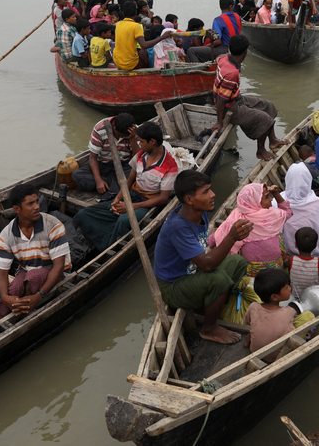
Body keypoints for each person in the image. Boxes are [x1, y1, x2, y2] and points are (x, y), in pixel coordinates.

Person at [154, 171, 251, 345]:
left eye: (210, 189)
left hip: (192, 272)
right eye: (206, 192)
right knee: (219, 278)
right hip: (173, 286)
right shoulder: (177, 226)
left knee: (238, 262)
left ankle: (205, 308)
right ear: (189, 200)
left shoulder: (201, 213)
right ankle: (209, 329)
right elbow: (206, 266)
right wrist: (231, 237)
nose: (213, 195)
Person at [74, 121, 177, 251]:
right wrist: (117, 200)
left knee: (123, 221)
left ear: (152, 142)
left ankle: (109, 247)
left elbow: (163, 199)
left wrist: (130, 207)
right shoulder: (141, 155)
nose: (139, 144)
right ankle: (105, 240)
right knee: (84, 214)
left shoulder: (170, 166)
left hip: (147, 204)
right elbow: (128, 182)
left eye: (141, 142)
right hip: (131, 196)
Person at [0, 184, 71, 322]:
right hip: (27, 270)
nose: (37, 206)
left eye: (36, 201)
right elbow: (2, 273)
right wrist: (5, 298)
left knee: (32, 278)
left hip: (57, 272)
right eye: (30, 204)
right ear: (17, 209)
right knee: (14, 289)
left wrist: (39, 296)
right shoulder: (6, 235)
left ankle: (22, 320)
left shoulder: (53, 225)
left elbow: (58, 266)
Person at [211, 35, 288, 161]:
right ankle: (261, 151)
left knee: (268, 106)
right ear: (245, 52)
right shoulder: (232, 73)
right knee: (264, 119)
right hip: (228, 107)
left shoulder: (223, 57)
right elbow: (221, 99)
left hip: (235, 98)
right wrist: (220, 121)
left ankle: (273, 140)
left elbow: (218, 62)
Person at [210, 183, 289, 276]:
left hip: (251, 272)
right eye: (267, 197)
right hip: (276, 269)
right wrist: (276, 193)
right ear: (256, 202)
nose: (271, 199)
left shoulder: (236, 218)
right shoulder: (272, 216)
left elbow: (213, 240)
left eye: (270, 196)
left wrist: (213, 239)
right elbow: (288, 212)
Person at [243, 269, 310, 363]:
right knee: (308, 316)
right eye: (286, 287)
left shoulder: (253, 306)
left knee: (256, 325)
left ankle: (247, 342)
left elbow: (246, 324)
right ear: (274, 297)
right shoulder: (289, 311)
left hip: (255, 351)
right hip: (278, 356)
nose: (290, 288)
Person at [73, 113, 137, 199]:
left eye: (124, 136)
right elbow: (92, 158)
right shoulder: (100, 129)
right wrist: (98, 180)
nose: (122, 137)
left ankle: (113, 186)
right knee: (77, 175)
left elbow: (139, 156)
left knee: (138, 180)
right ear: (114, 127)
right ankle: (115, 185)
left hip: (124, 165)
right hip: (103, 164)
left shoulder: (134, 131)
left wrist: (132, 138)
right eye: (120, 135)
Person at [279, 163, 319, 258]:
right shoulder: (315, 201)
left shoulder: (277, 201)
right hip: (313, 250)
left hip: (288, 251)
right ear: (308, 179)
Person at [114, 2, 171, 71]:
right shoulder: (136, 26)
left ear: (123, 13)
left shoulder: (118, 24)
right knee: (144, 53)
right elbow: (144, 45)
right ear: (135, 13)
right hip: (130, 64)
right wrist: (162, 37)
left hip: (117, 62)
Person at [287, 227, 319, 298]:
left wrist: (285, 258)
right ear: (315, 246)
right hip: (312, 296)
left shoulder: (292, 259)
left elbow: (285, 264)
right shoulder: (317, 261)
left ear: (296, 244)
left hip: (296, 295)